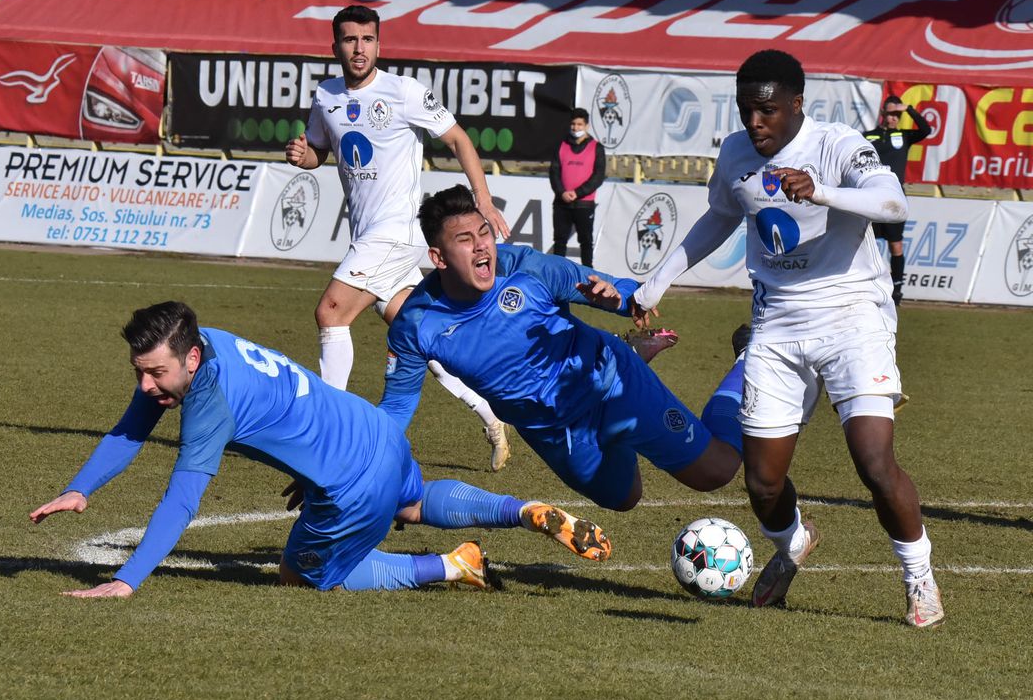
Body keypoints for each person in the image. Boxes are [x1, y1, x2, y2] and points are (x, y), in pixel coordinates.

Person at [632, 50, 944, 627]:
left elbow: (893, 201)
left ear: (798, 104)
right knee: (763, 479)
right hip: (776, 321)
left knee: (874, 462)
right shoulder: (734, 153)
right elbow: (721, 217)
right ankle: (794, 541)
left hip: (853, 315)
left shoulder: (838, 144)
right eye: (747, 109)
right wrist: (657, 281)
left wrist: (821, 191)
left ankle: (918, 576)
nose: (755, 122)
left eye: (767, 110)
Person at [28, 302, 611, 598]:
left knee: (301, 577)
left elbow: (181, 500)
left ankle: (453, 565)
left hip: (348, 484)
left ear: (191, 360)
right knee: (410, 503)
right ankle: (519, 509)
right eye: (139, 372)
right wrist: (82, 488)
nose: (146, 386)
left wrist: (127, 579)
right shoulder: (207, 341)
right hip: (376, 432)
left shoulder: (208, 400)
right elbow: (134, 423)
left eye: (154, 374)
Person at [379, 185, 746, 519]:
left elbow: (606, 287)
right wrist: (368, 461)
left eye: (484, 233)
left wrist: (619, 296)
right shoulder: (415, 325)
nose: (481, 246)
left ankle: (748, 360)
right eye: (464, 239)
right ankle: (627, 399)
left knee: (716, 472)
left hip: (611, 383)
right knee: (624, 497)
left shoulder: (523, 268)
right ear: (438, 258)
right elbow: (396, 408)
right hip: (553, 429)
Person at [284, 4, 513, 471]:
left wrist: (483, 201)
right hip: (367, 235)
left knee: (330, 311)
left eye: (367, 40)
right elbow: (319, 154)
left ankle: (329, 433)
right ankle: (492, 416)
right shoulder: (326, 96)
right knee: (419, 337)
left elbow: (459, 140)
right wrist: (301, 155)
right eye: (349, 40)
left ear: (378, 44)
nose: (359, 48)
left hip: (397, 231)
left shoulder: (404, 91)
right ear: (335, 47)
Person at [861, 95, 932, 306]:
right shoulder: (869, 135)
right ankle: (865, 285)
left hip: (894, 197)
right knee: (863, 243)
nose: (893, 118)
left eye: (897, 115)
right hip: (871, 195)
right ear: (883, 113)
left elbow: (926, 130)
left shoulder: (905, 135)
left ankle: (897, 289)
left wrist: (909, 108)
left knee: (896, 245)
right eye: (891, 113)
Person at [549, 107, 606, 268]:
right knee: (559, 241)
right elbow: (554, 172)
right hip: (562, 203)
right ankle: (557, 272)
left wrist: (578, 193)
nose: (576, 128)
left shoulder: (596, 147)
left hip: (584, 204)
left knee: (586, 241)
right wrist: (562, 193)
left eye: (579, 124)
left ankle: (588, 273)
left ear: (586, 126)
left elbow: (598, 176)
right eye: (573, 124)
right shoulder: (561, 145)